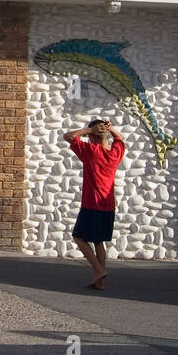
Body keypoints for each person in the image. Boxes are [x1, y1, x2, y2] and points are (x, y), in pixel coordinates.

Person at [61, 118, 125, 290]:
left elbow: (68, 136)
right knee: (98, 241)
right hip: (108, 205)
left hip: (92, 203)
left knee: (78, 236)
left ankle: (98, 270)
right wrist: (110, 130)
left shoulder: (91, 151)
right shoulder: (115, 153)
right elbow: (120, 140)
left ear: (93, 137)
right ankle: (100, 282)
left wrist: (89, 130)